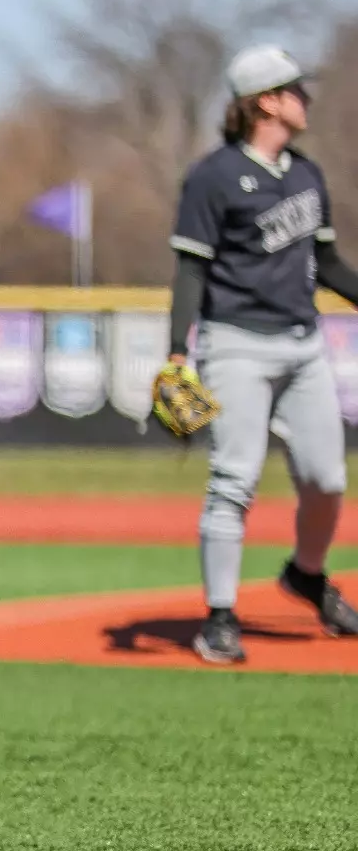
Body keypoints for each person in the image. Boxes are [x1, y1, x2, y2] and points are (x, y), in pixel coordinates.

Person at [167, 44, 358, 663]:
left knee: (327, 480)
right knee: (234, 479)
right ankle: (220, 617)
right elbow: (191, 268)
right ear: (266, 103)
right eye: (296, 90)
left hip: (303, 346)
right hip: (236, 346)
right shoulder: (213, 176)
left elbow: (327, 263)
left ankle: (306, 574)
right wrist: (176, 352)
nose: (306, 98)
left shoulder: (306, 174)